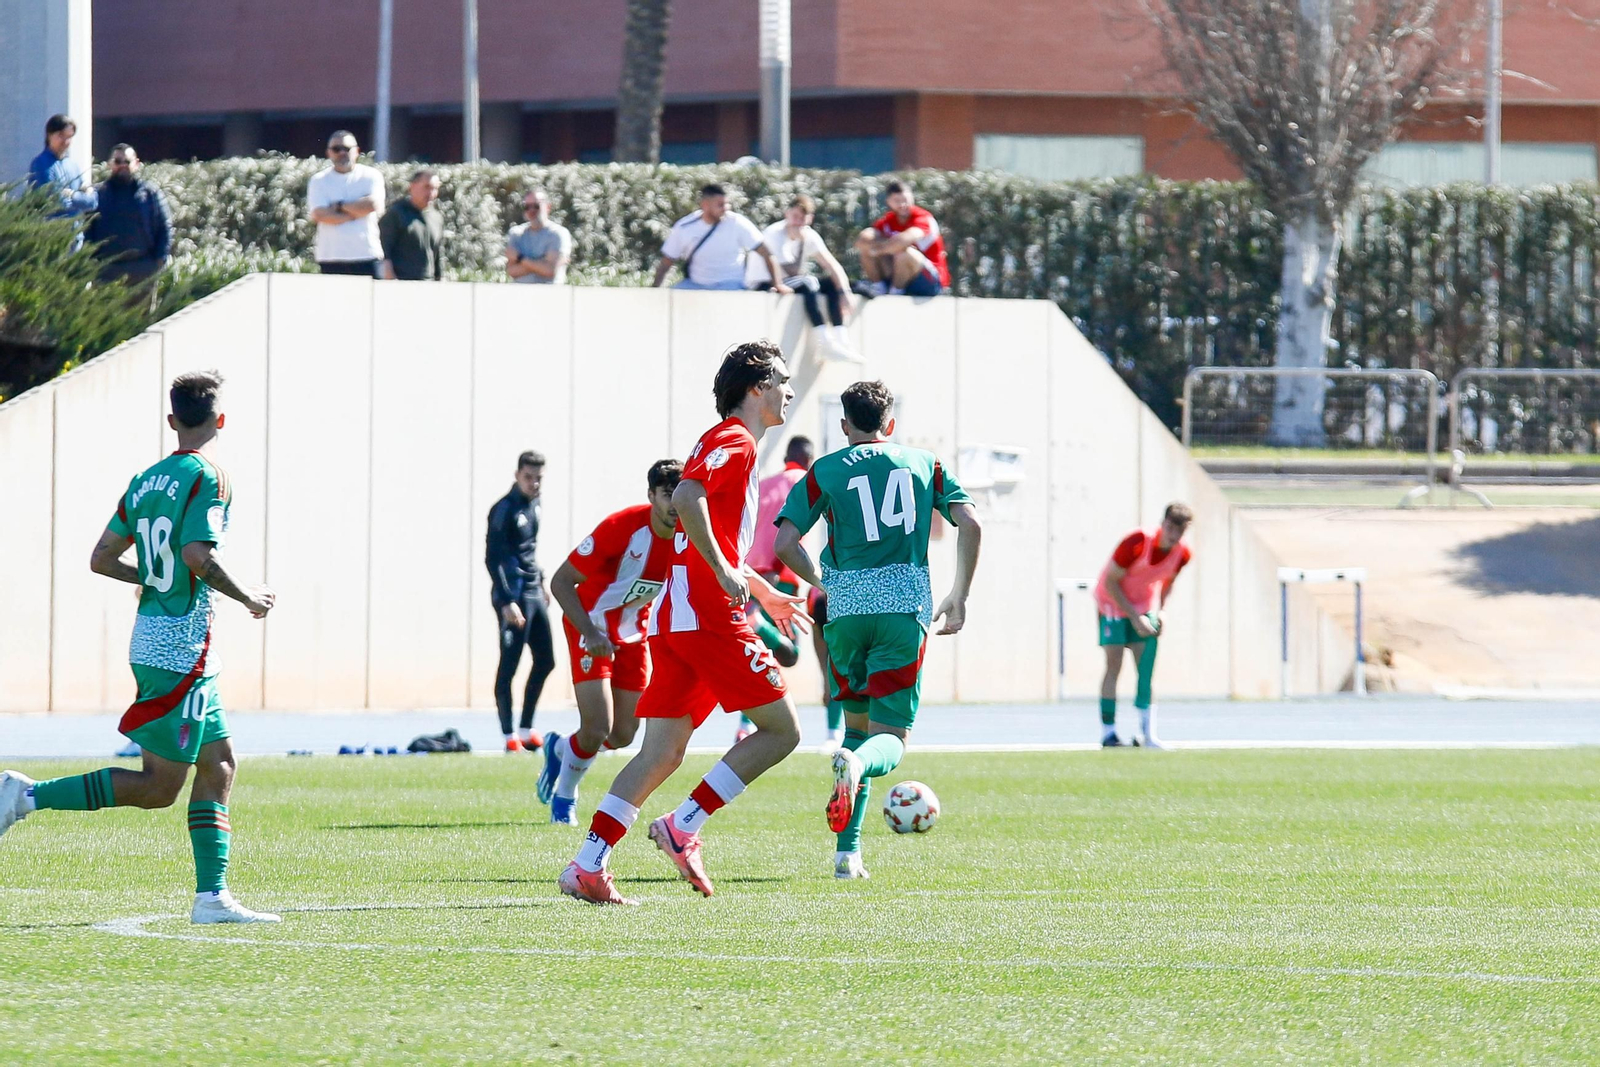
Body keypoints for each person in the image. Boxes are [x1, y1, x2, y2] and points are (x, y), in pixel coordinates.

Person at [0, 371, 279, 924]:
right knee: (158, 787)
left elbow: (102, 558)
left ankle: (212, 898)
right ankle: (22, 796)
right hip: (180, 650)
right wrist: (248, 595)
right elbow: (197, 555)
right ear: (220, 421)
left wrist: (149, 577)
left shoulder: (147, 480)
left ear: (172, 420)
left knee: (220, 764)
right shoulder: (210, 477)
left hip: (164, 640)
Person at [559, 340, 810, 906]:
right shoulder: (736, 440)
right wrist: (722, 570)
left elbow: (709, 526)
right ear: (757, 388)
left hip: (678, 618)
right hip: (708, 616)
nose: (790, 391)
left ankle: (587, 866)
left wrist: (761, 587)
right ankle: (683, 825)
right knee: (782, 731)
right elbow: (690, 495)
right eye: (782, 380)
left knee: (660, 754)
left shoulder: (728, 440)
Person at [774, 380, 981, 880]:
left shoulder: (824, 470)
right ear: (890, 423)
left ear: (845, 425)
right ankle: (858, 767)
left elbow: (784, 544)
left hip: (845, 613)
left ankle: (847, 857)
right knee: (889, 740)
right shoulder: (924, 463)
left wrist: (826, 581)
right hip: (902, 610)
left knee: (855, 732)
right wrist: (959, 594)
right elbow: (971, 524)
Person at [539, 459, 683, 825]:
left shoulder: (688, 535)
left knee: (623, 734)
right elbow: (560, 582)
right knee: (598, 726)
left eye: (680, 494)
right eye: (667, 494)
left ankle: (561, 748)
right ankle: (564, 798)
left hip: (633, 634)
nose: (675, 504)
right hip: (590, 626)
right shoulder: (621, 527)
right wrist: (590, 632)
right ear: (651, 495)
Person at [739, 435, 843, 748]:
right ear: (809, 460)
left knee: (758, 657)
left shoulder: (764, 484)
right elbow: (788, 538)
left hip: (750, 577)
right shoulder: (806, 483)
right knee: (799, 653)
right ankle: (833, 733)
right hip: (783, 577)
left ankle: (745, 726)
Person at [1094, 502, 1194, 750]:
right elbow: (1110, 582)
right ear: (1163, 523)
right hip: (1112, 603)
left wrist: (1162, 611)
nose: (1173, 535)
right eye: (1170, 528)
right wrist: (1134, 617)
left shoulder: (1182, 554)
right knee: (1114, 664)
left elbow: (1167, 583)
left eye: (1179, 531)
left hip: (1142, 605)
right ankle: (1109, 733)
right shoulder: (1137, 542)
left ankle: (1148, 734)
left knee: (1145, 668)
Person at [486, 451, 556, 753]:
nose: (534, 483)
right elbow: (494, 558)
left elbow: (529, 550)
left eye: (538, 478)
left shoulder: (535, 505)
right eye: (528, 477)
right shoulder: (503, 509)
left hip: (532, 591)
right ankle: (508, 734)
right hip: (512, 596)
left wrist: (541, 581)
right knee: (509, 666)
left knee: (546, 660)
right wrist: (506, 601)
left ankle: (527, 727)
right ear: (517, 476)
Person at [746, 194, 856, 359]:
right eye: (795, 216)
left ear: (810, 219)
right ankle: (823, 341)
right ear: (787, 214)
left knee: (830, 283)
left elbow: (832, 265)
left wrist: (844, 292)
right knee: (808, 282)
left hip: (788, 281)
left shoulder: (809, 234)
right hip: (764, 282)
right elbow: (792, 271)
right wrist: (802, 243)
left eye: (802, 218)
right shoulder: (775, 234)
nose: (798, 222)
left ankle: (842, 339)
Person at [653, 183, 789, 293]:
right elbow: (666, 262)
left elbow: (767, 254)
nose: (725, 208)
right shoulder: (684, 227)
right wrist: (654, 291)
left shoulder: (737, 222)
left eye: (726, 204)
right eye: (720, 205)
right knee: (673, 296)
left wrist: (777, 284)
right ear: (705, 205)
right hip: (696, 285)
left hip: (731, 285)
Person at [85, 143, 173, 298]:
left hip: (143, 271)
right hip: (107, 274)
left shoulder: (150, 193)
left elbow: (164, 227)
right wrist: (91, 263)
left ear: (136, 164)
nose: (123, 165)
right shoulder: (97, 194)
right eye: (118, 161)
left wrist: (160, 259)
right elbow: (87, 229)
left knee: (144, 314)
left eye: (127, 161)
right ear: (110, 164)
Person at [306, 130, 385, 278]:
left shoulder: (371, 176)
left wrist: (338, 206)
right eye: (337, 149)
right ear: (329, 153)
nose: (342, 153)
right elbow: (320, 215)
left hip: (366, 255)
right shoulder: (319, 180)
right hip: (330, 257)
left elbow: (372, 205)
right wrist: (356, 213)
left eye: (347, 149)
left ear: (357, 151)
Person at [853, 179, 949, 298]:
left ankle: (895, 292)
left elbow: (903, 241)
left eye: (905, 200)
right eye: (897, 201)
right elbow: (862, 241)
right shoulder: (888, 220)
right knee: (867, 249)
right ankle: (879, 287)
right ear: (889, 202)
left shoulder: (923, 218)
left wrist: (877, 250)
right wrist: (876, 248)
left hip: (930, 281)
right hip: (901, 274)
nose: (903, 205)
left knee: (904, 253)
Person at [27, 114, 96, 246]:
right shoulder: (41, 164)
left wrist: (72, 195)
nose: (65, 141)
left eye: (69, 137)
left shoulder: (73, 166)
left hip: (75, 238)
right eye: (61, 136)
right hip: (51, 238)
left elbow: (92, 202)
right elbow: (57, 200)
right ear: (49, 135)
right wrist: (81, 196)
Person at [378, 169, 443, 281]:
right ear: (412, 187)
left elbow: (438, 255)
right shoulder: (396, 214)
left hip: (429, 282)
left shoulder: (437, 218)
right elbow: (384, 253)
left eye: (435, 189)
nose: (431, 193)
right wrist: (391, 281)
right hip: (402, 282)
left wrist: (440, 280)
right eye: (426, 187)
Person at [506, 188, 572, 285]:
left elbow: (550, 270)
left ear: (548, 207)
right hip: (520, 292)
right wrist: (541, 263)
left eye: (536, 206)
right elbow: (512, 271)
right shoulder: (516, 234)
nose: (531, 210)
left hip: (549, 292)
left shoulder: (558, 234)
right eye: (527, 207)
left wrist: (520, 258)